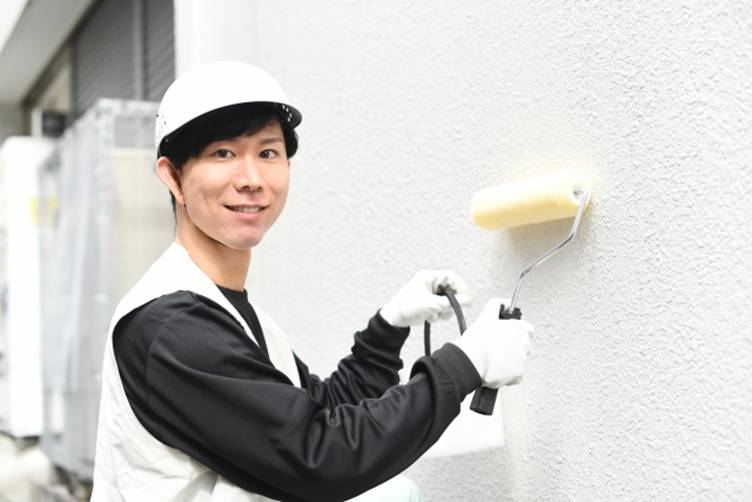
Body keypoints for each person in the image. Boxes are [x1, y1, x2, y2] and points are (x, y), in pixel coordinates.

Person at [92, 61, 534, 502]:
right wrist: (467, 362)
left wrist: (388, 327)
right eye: (222, 153)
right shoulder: (172, 328)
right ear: (173, 176)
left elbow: (322, 410)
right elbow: (321, 455)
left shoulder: (232, 315)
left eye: (267, 153)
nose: (251, 180)